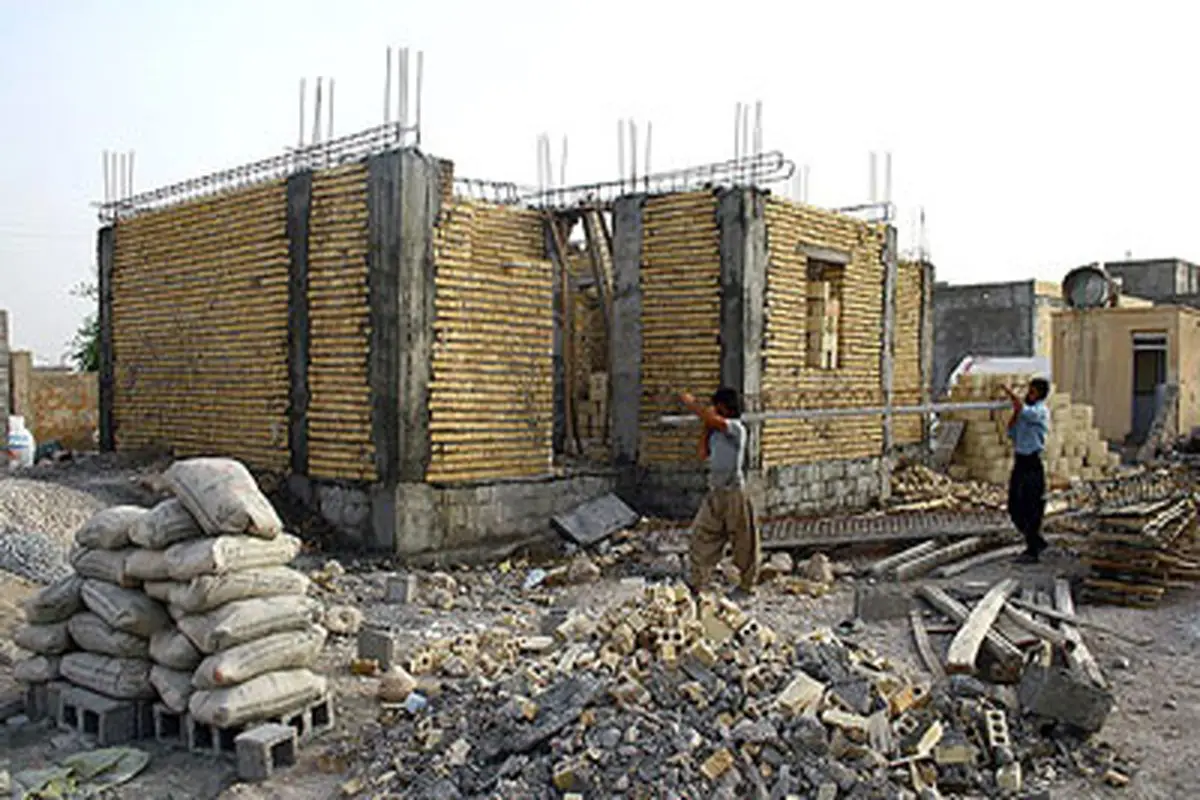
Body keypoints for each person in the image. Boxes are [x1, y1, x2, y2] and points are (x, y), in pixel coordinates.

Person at [678, 387, 760, 598]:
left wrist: (692, 404)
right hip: (715, 493)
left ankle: (747, 585)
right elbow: (702, 453)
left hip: (734, 492)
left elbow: (713, 419)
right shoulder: (715, 433)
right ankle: (698, 582)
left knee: (744, 540)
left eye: (717, 406)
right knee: (702, 535)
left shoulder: (736, 428)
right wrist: (706, 426)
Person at [1001, 377, 1051, 563]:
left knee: (1032, 505)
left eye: (1032, 392)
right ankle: (1036, 540)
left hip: (1033, 462)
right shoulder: (1024, 413)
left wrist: (1010, 393)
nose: (1028, 394)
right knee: (1014, 505)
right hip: (1020, 461)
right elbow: (1011, 431)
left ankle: (1032, 549)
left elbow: (1024, 410)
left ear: (1040, 395)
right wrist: (1015, 414)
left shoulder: (1040, 411)